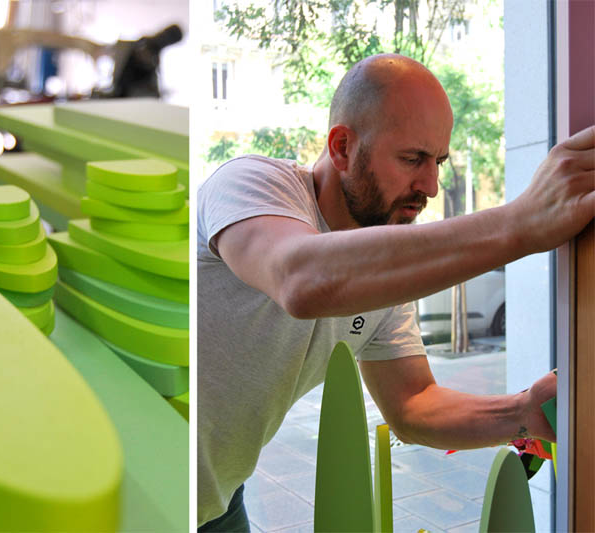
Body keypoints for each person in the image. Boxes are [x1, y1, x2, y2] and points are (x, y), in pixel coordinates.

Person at [196, 53, 594, 531]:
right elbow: (298, 279)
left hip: (220, 501)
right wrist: (520, 224)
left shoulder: (382, 270)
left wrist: (523, 411)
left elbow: (413, 405)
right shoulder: (250, 183)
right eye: (412, 159)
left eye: (438, 162)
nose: (431, 185)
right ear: (342, 147)